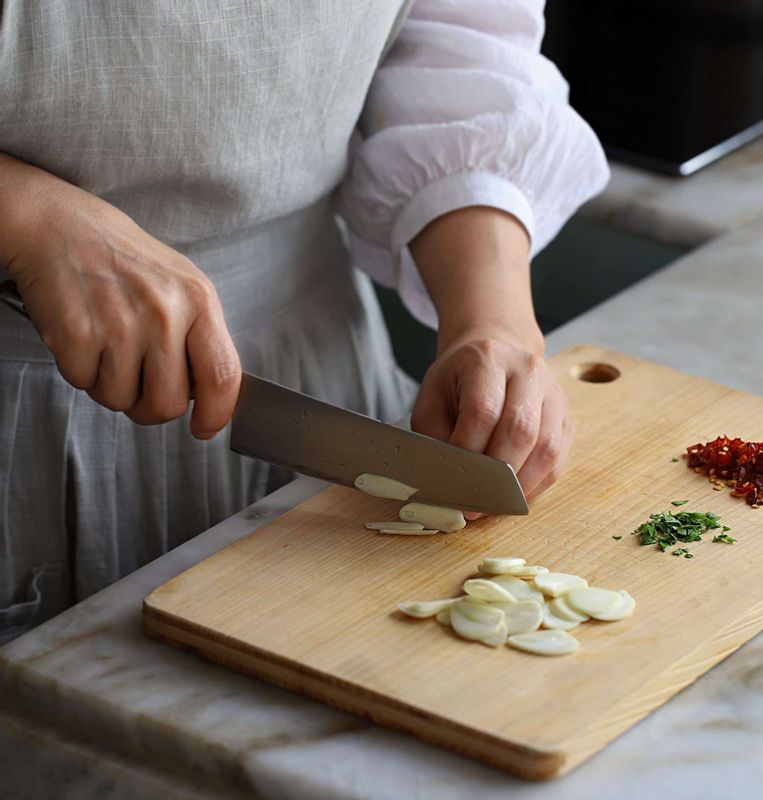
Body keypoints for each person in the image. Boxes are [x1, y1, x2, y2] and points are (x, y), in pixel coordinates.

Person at [0, 0, 608, 643]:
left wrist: (493, 318)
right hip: (27, 410)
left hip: (319, 357)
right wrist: (27, 215)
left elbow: (452, 38)